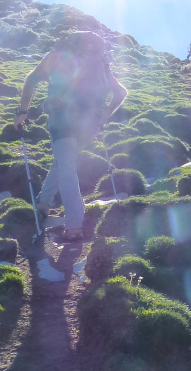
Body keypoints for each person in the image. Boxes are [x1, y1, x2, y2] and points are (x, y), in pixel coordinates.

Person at [14, 31, 127, 242]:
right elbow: (120, 92)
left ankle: (74, 225)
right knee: (65, 161)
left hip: (62, 119)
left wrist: (23, 112)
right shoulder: (100, 63)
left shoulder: (57, 55)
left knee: (67, 168)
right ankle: (44, 202)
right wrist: (105, 115)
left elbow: (31, 80)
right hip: (90, 124)